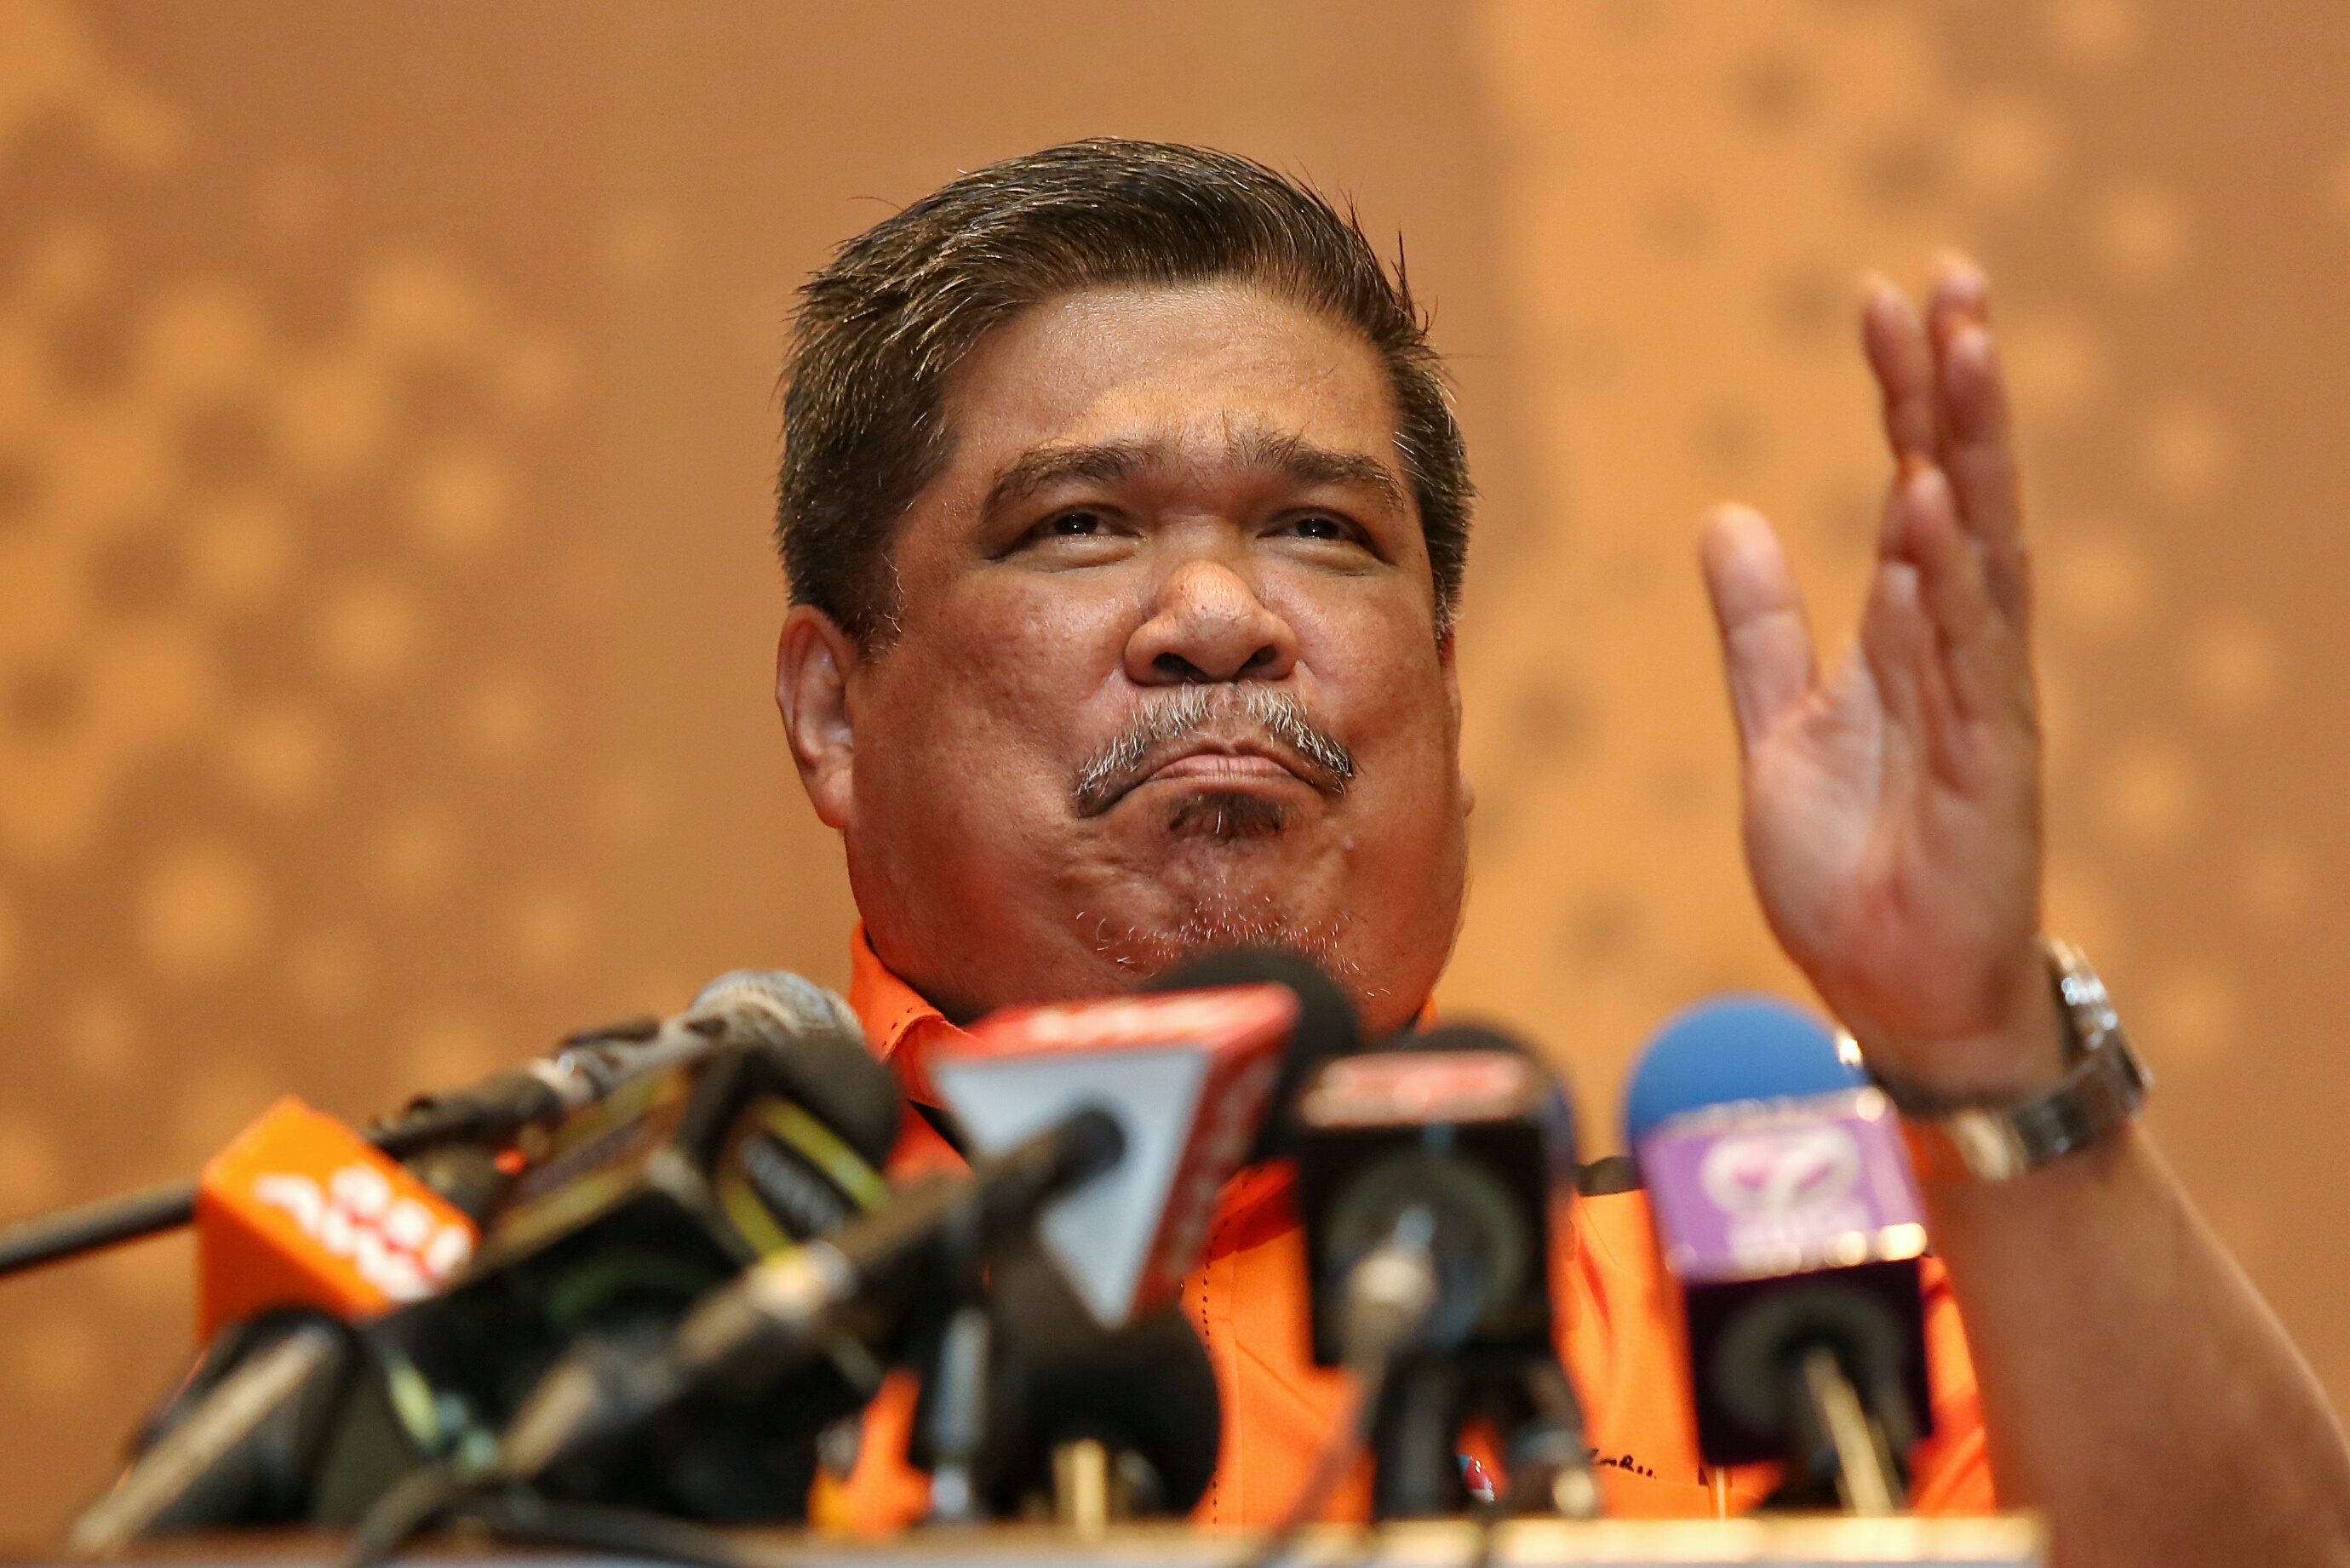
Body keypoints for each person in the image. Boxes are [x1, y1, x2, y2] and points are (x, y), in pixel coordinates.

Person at [766, 140, 2350, 1561]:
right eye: (1081, 525)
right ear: (834, 714)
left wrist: (1982, 1043)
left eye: (1322, 528)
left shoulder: (1771, 1305)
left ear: (1448, 690)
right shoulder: (665, 1291)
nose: (1220, 617)